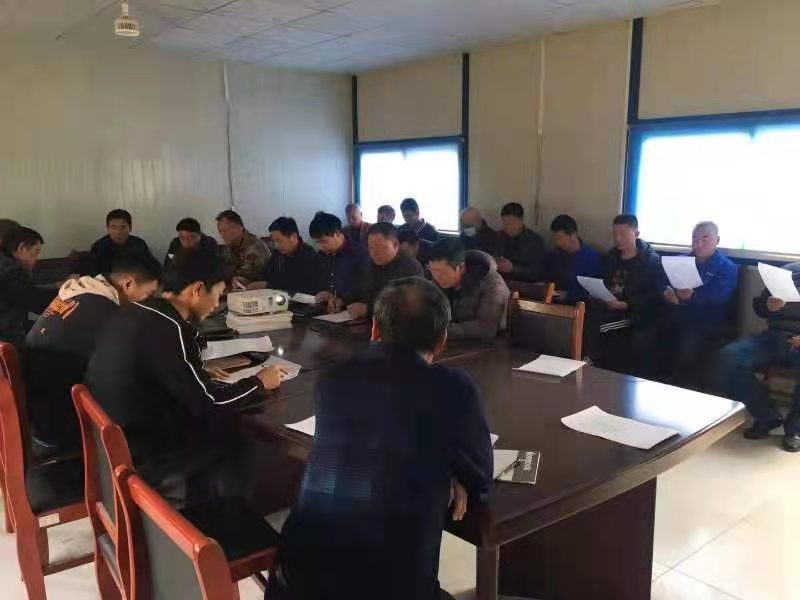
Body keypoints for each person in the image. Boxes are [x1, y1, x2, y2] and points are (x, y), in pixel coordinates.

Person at [269, 277, 493, 600]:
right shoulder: (451, 387)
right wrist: (459, 473)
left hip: (295, 580)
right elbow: (481, 477)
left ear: (375, 329)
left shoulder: (332, 379)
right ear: (442, 340)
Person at [85, 253, 284, 501]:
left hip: (113, 437)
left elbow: (158, 369)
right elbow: (208, 402)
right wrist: (259, 381)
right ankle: (212, 515)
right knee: (236, 432)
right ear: (197, 289)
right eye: (217, 294)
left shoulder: (135, 310)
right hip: (145, 449)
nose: (216, 305)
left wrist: (192, 373)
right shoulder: (172, 327)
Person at [24, 254, 162, 451]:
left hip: (35, 413)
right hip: (61, 424)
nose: (148, 303)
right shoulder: (107, 313)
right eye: (149, 294)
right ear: (128, 284)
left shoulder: (80, 293)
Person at [716, 262, 800, 452]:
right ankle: (767, 416)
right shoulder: (788, 271)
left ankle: (795, 429)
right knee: (729, 357)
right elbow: (760, 307)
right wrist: (768, 305)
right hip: (774, 337)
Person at [662, 222, 738, 386]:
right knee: (650, 332)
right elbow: (663, 282)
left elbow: (719, 297)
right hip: (677, 313)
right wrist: (667, 292)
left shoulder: (727, 267)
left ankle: (684, 388)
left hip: (707, 319)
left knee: (687, 346)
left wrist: (693, 296)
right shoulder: (680, 261)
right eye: (695, 239)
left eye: (705, 238)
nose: (699, 243)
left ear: (717, 240)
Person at [586, 214, 665, 372]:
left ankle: (590, 365)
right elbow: (602, 282)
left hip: (632, 313)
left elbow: (654, 295)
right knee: (581, 318)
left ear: (636, 233)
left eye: (622, 233)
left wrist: (627, 304)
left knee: (601, 326)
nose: (618, 238)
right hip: (608, 306)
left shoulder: (650, 261)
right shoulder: (611, 257)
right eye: (615, 233)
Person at [428, 239, 510, 341]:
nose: (437, 277)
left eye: (443, 272)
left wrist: (438, 330)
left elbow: (486, 329)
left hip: (489, 345)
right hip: (452, 339)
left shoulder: (492, 283)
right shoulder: (438, 282)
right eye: (433, 270)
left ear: (461, 267)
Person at [346, 223, 423, 319]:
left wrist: (368, 309)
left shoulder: (410, 267)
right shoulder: (368, 263)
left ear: (396, 245)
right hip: (366, 321)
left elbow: (406, 305)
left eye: (381, 247)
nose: (374, 253)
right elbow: (359, 291)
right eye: (371, 247)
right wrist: (343, 300)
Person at [0, 227, 55, 348]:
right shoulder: (12, 271)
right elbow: (34, 302)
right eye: (36, 252)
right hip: (7, 338)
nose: (36, 258)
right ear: (22, 248)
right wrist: (67, 292)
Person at [308, 212, 370, 313]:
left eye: (324, 242)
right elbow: (316, 281)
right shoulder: (321, 256)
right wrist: (323, 293)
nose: (321, 247)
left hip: (352, 312)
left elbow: (365, 290)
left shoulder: (359, 254)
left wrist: (343, 300)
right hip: (325, 311)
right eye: (317, 243)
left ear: (337, 234)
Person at [258, 217, 324, 295]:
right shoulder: (278, 253)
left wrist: (269, 285)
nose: (276, 246)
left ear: (294, 237)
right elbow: (267, 274)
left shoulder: (308, 255)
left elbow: (299, 285)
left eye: (279, 241)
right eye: (274, 241)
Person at [545, 214, 603, 303]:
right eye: (555, 239)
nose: (558, 243)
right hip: (554, 304)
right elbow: (547, 279)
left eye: (560, 238)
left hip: (579, 307)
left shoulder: (591, 258)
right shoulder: (554, 255)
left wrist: (568, 295)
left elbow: (595, 292)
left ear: (573, 236)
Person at [88, 209, 152, 276]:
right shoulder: (99, 247)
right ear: (108, 229)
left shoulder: (139, 244)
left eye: (123, 227)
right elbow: (94, 274)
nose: (118, 232)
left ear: (130, 228)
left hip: (135, 280)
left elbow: (151, 268)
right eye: (113, 227)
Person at [216, 209, 270, 288]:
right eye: (220, 231)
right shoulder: (230, 247)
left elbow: (247, 274)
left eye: (225, 230)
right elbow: (221, 269)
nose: (222, 235)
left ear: (239, 228)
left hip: (262, 290)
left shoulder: (255, 246)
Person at [496, 203, 546, 282]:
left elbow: (537, 273)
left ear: (521, 221)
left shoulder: (535, 241)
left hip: (526, 285)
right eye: (505, 224)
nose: (508, 228)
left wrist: (513, 268)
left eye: (512, 223)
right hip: (501, 283)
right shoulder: (499, 237)